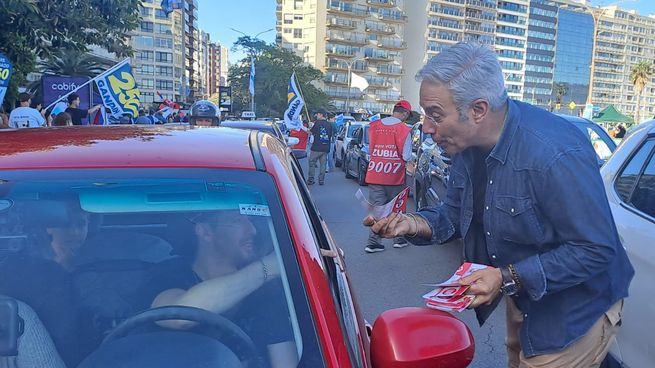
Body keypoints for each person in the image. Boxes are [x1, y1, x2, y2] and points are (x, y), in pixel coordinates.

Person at [366, 42, 634, 367]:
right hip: (524, 292)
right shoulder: (465, 145)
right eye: (424, 114)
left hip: (576, 306)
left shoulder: (554, 154)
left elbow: (595, 249)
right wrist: (414, 224)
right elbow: (453, 214)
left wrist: (506, 277)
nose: (425, 127)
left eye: (435, 114)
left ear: (478, 110)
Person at [146, 210, 298, 368]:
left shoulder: (264, 294)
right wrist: (268, 267)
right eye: (237, 221)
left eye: (250, 221)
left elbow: (285, 363)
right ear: (205, 232)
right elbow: (176, 316)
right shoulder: (168, 274)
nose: (252, 230)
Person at [363, 100, 413, 253]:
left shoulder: (374, 126)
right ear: (404, 114)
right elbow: (406, 156)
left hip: (375, 173)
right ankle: (399, 239)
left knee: (377, 210)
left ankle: (373, 242)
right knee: (397, 209)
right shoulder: (404, 129)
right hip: (395, 175)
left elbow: (371, 149)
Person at [306, 108, 333, 185]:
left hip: (316, 147)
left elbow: (311, 133)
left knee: (312, 163)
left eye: (317, 114)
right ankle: (321, 180)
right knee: (323, 165)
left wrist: (310, 128)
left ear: (321, 115)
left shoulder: (317, 123)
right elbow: (330, 136)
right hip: (325, 147)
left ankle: (311, 179)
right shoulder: (329, 125)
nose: (316, 116)